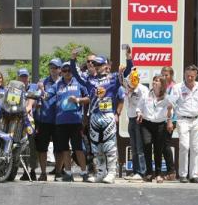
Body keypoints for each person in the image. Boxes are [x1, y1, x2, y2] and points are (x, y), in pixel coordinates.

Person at [71, 48, 126, 184]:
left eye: (99, 64)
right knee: (96, 147)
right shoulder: (89, 80)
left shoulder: (113, 78)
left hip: (108, 116)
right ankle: (100, 173)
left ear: (106, 65)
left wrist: (128, 60)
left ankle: (112, 173)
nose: (96, 67)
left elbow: (128, 73)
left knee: (110, 146)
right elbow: (76, 74)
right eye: (95, 64)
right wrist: (73, 59)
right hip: (94, 116)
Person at [43, 60, 89, 182]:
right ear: (61, 72)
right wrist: (41, 91)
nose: (67, 73)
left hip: (75, 121)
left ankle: (84, 173)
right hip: (61, 122)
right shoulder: (58, 84)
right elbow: (47, 96)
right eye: (64, 70)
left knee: (78, 148)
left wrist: (78, 100)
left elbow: (89, 98)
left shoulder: (79, 82)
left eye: (70, 70)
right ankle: (68, 173)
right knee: (65, 149)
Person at [136, 75, 170, 183]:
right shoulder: (146, 94)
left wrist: (169, 120)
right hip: (146, 123)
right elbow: (139, 107)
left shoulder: (167, 97)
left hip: (160, 124)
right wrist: (139, 113)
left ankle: (159, 174)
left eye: (157, 81)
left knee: (158, 149)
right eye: (154, 80)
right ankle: (149, 173)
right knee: (147, 145)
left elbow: (170, 110)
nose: (154, 82)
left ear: (162, 84)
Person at [34, 58, 62, 181]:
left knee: (59, 148)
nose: (53, 70)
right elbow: (37, 97)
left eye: (55, 67)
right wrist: (40, 90)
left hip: (59, 120)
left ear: (60, 69)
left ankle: (58, 172)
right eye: (51, 67)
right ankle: (43, 173)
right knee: (42, 148)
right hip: (45, 119)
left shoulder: (64, 82)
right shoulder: (43, 82)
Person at [123, 55, 148, 181]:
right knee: (133, 147)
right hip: (131, 119)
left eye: (132, 83)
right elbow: (126, 73)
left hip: (139, 120)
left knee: (139, 147)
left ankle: (142, 172)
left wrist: (140, 113)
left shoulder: (143, 89)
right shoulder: (127, 88)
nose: (130, 85)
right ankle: (135, 171)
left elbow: (144, 105)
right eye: (128, 83)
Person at [16, 68, 39, 181]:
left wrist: (27, 108)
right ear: (18, 77)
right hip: (16, 120)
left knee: (30, 146)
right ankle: (23, 170)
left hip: (29, 120)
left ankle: (32, 170)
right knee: (20, 146)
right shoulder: (15, 88)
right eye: (22, 76)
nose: (24, 79)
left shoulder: (33, 87)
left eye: (25, 76)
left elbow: (30, 104)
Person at [160, 66, 177, 180]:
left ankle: (171, 172)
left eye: (167, 75)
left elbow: (171, 105)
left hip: (171, 119)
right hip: (161, 119)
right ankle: (169, 172)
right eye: (163, 75)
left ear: (171, 75)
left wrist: (170, 121)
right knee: (162, 145)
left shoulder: (174, 88)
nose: (165, 77)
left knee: (165, 144)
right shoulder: (162, 86)